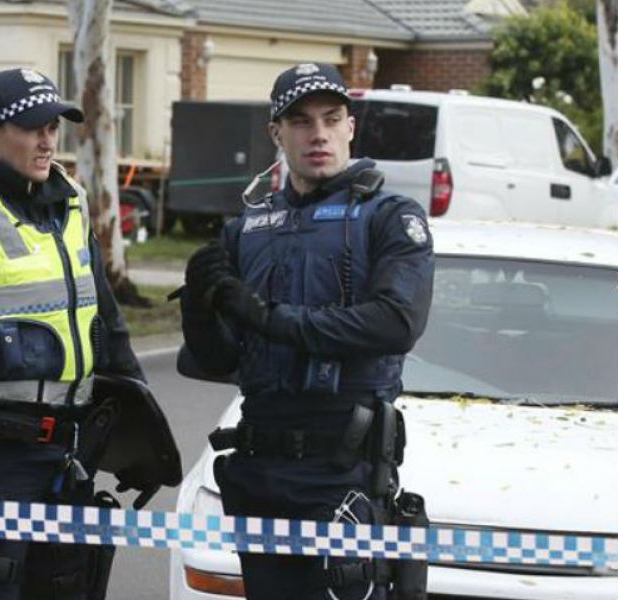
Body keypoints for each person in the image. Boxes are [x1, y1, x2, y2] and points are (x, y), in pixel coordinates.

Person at [181, 63, 435, 600]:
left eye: (331, 118)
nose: (317, 133)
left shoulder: (391, 217)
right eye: (300, 121)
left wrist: (268, 317)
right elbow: (214, 359)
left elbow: (396, 323)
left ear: (350, 128)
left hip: (343, 471)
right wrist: (200, 308)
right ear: (276, 133)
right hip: (261, 472)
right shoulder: (245, 228)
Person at [0, 68, 145, 600]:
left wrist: (140, 441)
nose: (47, 140)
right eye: (32, 127)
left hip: (71, 453)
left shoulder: (73, 203)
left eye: (54, 127)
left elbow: (107, 324)